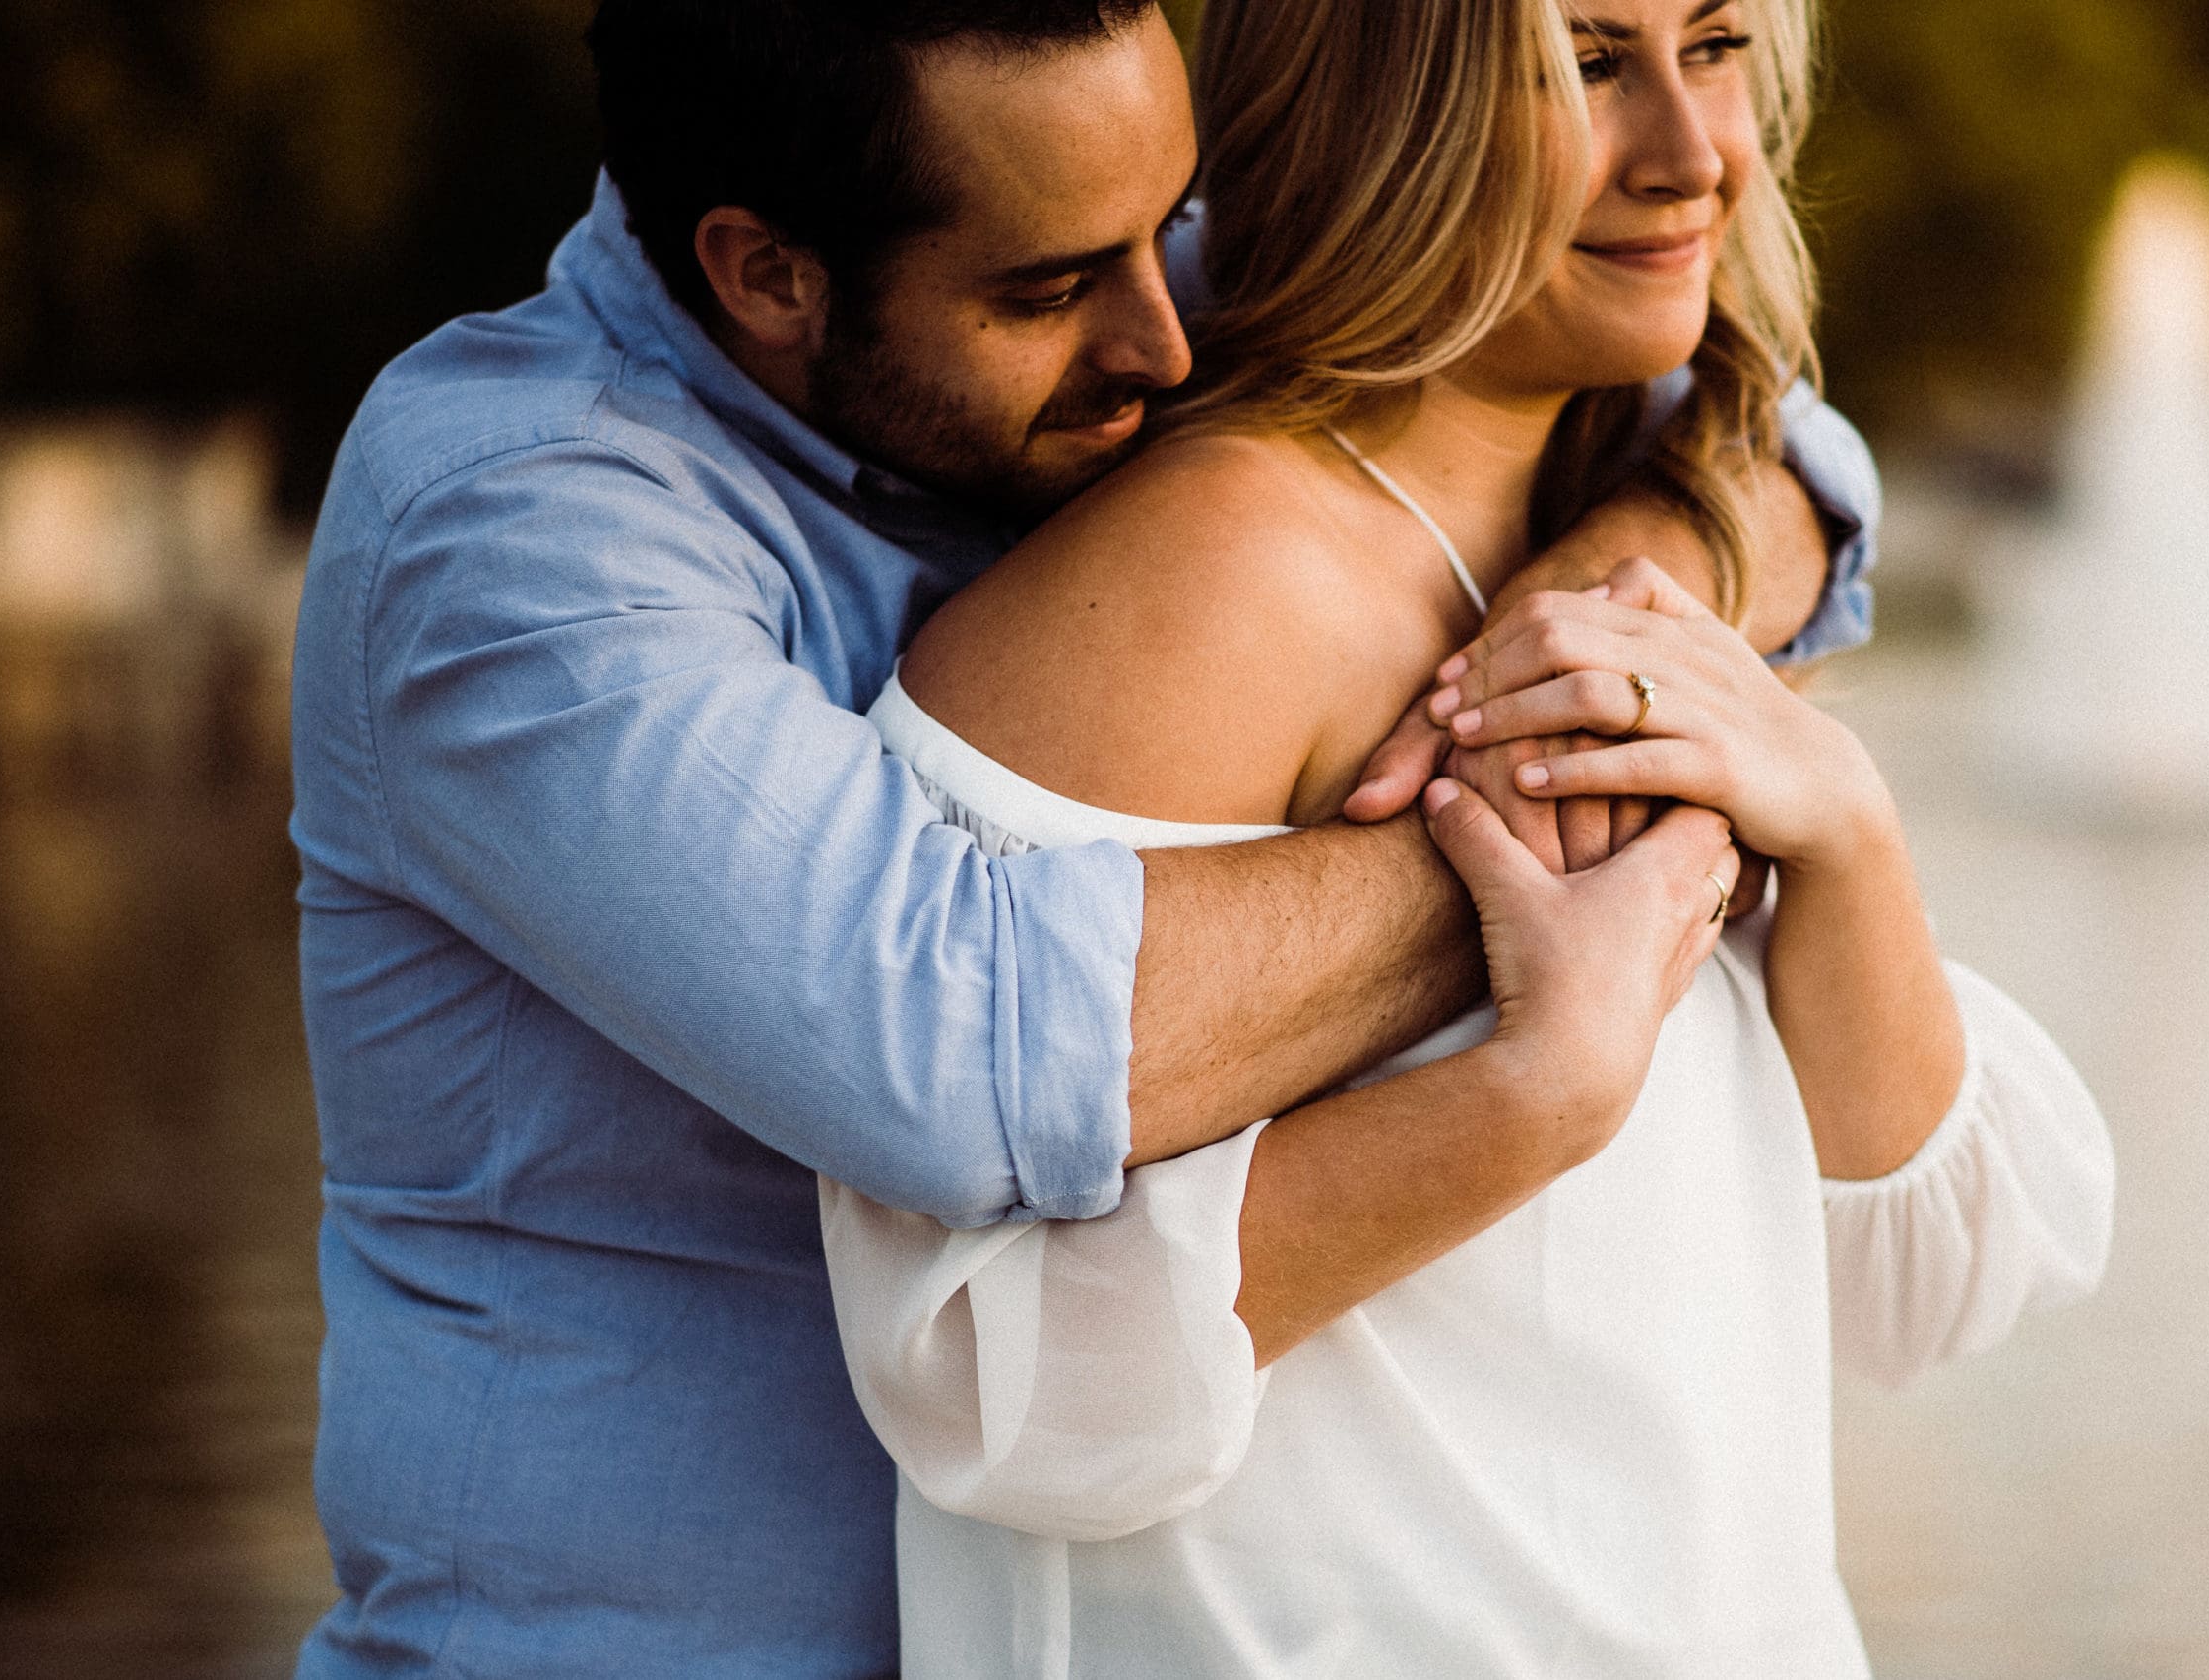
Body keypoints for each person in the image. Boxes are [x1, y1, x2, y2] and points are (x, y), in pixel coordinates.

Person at [286, 1, 1882, 1675]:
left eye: (1169, 229)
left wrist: (1607, 596)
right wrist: (1538, 793)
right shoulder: (509, 536)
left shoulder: (1079, 242)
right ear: (767, 275)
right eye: (1049, 292)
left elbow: (1773, 435)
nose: (1173, 341)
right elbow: (964, 1057)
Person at [814, 0, 2114, 1673]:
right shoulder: (1199, 588)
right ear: (1379, 111)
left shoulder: (1621, 514)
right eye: (1586, 64)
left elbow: (1939, 1280)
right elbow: (988, 1384)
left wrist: (1841, 821)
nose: (1693, 154)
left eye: (1715, 49)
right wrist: (1534, 1099)